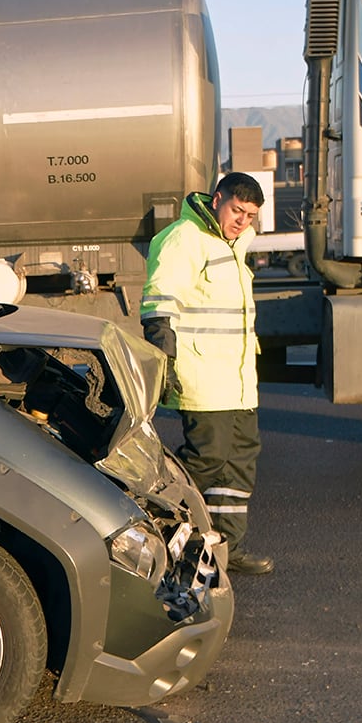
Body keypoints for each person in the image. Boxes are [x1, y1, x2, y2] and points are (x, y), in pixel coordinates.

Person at [141, 172, 274, 575]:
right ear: (217, 200)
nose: (242, 221)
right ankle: (153, 529)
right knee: (207, 461)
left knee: (237, 465)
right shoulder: (185, 239)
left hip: (237, 383)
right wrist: (165, 359)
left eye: (250, 215)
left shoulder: (234, 245)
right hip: (203, 378)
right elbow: (160, 303)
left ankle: (223, 550)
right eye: (237, 210)